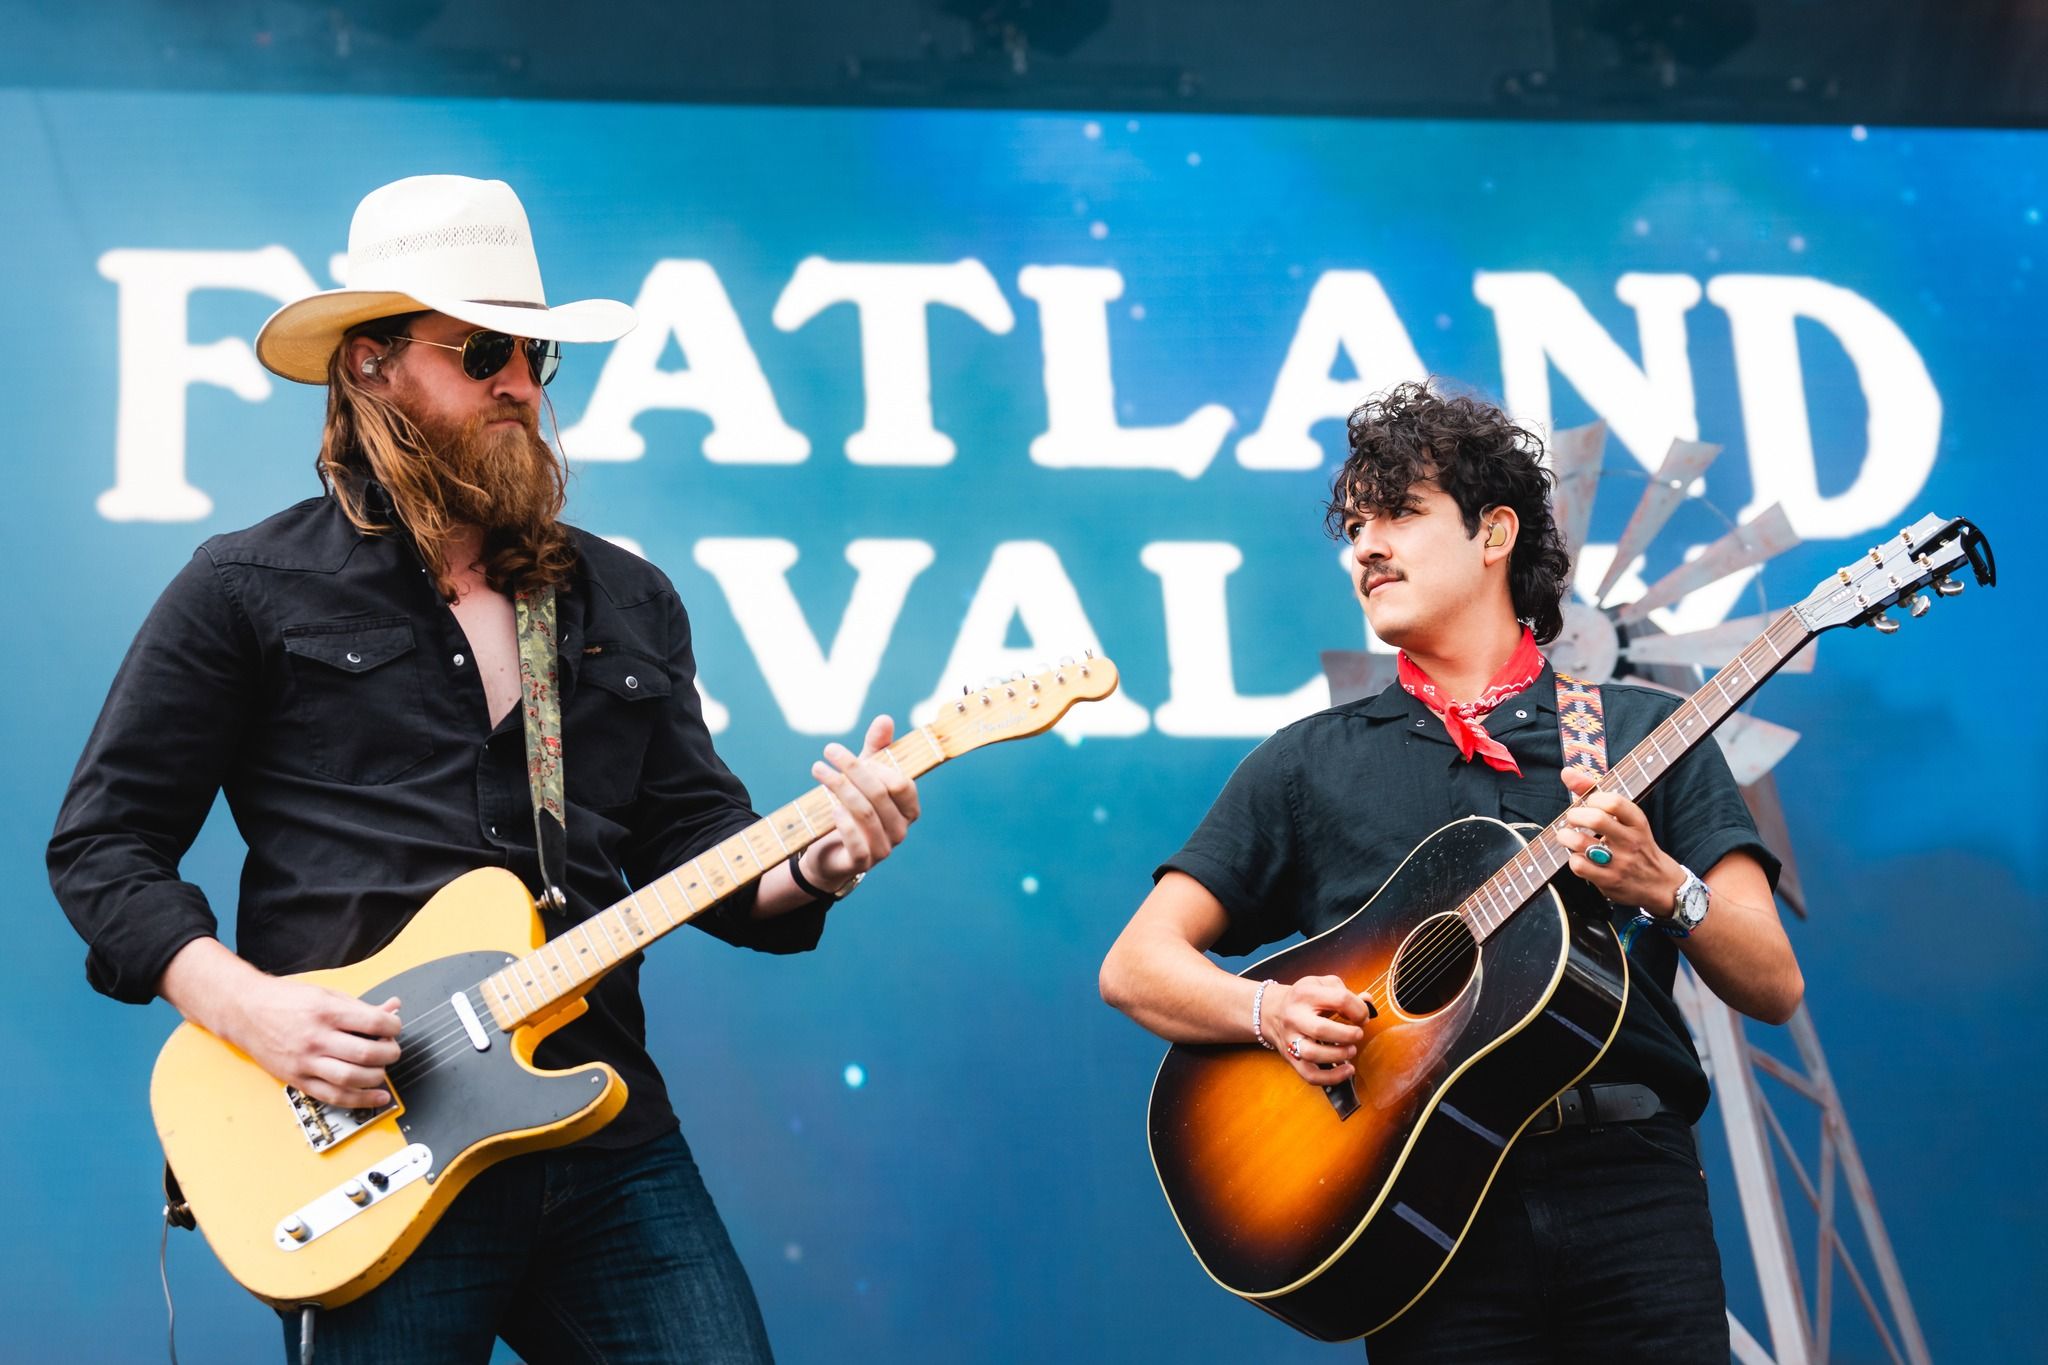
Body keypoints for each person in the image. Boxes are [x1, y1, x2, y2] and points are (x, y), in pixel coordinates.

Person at [48, 175, 921, 1364]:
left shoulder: (624, 594)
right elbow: (103, 846)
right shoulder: (245, 587)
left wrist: (817, 862)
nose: (521, 382)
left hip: (600, 1124)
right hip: (369, 1133)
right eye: (486, 350)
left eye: (536, 357)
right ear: (370, 365)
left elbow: (698, 849)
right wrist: (249, 1011)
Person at [1098, 380, 1804, 1363]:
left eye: (1397, 513)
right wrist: (1269, 1014)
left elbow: (1770, 979)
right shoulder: (1307, 764)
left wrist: (1661, 886)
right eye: (1352, 526)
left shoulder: (1643, 730)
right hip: (1425, 1209)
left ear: (1493, 533)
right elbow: (1134, 965)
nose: (1363, 547)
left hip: (1629, 1186)